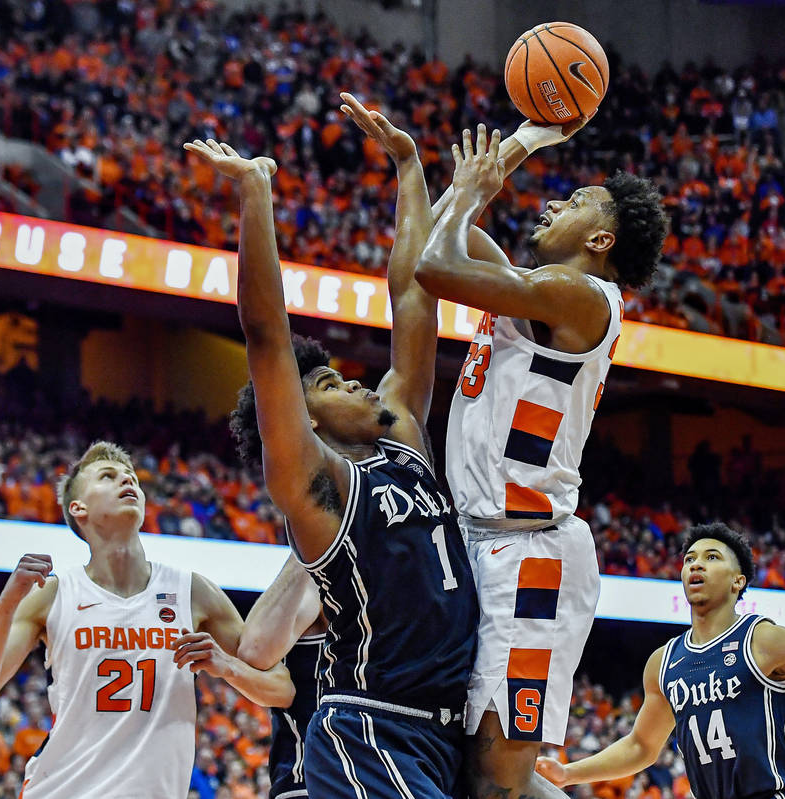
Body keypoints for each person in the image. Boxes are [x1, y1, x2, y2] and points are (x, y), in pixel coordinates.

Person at [183, 111, 479, 798]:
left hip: (444, 735)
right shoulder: (319, 488)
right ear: (304, 418)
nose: (351, 379)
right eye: (326, 383)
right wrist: (256, 193)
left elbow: (413, 299)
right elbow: (266, 337)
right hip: (371, 730)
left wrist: (410, 171)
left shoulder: (402, 439)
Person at [416, 125, 668, 799]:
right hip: (481, 540)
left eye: (577, 199)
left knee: (497, 779)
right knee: (476, 772)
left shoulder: (579, 295)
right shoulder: (538, 287)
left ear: (601, 240)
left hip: (531, 556)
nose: (552, 203)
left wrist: (474, 192)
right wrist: (518, 144)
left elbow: (432, 268)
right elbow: (438, 230)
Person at [0, 441, 295, 798]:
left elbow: (281, 689)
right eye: (108, 476)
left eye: (131, 477)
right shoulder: (53, 595)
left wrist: (227, 667)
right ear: (78, 508)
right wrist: (6, 605)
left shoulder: (191, 591)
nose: (126, 481)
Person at [535, 523, 785, 799]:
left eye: (712, 557)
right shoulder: (664, 662)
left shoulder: (765, 639)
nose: (696, 563)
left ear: (738, 581)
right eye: (689, 559)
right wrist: (569, 774)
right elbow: (641, 746)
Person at [230, 387, 326, 799]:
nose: (360, 386)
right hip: (315, 784)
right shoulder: (314, 559)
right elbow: (254, 651)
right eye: (330, 385)